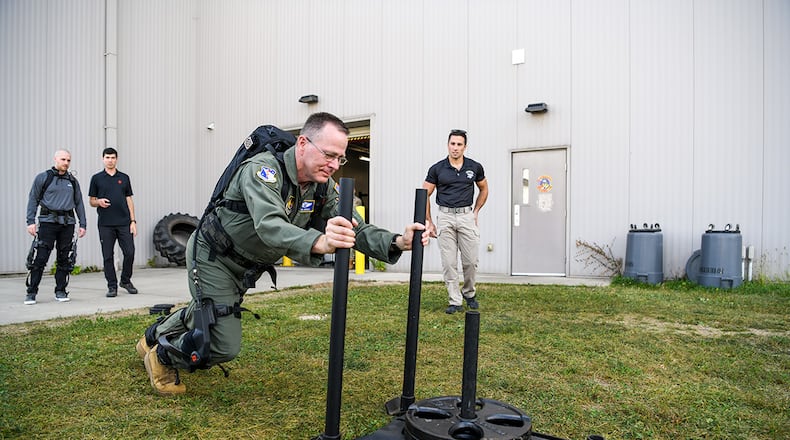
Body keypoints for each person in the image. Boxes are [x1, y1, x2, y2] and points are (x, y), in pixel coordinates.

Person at [135, 112, 428, 395]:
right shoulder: (263, 171)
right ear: (302, 144)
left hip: (247, 263)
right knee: (222, 345)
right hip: (214, 257)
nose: (334, 164)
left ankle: (150, 338)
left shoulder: (323, 187)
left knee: (211, 310)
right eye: (328, 154)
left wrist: (398, 241)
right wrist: (319, 243)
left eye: (340, 158)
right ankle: (161, 356)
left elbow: (356, 229)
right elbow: (270, 225)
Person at [422, 129, 488, 314]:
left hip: (466, 216)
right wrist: (429, 221)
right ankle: (455, 300)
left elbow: (484, 189)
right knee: (449, 262)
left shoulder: (474, 167)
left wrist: (475, 211)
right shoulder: (437, 169)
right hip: (445, 217)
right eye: (453, 144)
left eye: (459, 144)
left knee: (471, 261)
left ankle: (469, 293)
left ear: (465, 147)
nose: (455, 148)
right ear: (448, 145)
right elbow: (425, 194)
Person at [25, 149, 87, 305]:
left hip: (67, 224)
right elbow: (33, 199)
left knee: (64, 260)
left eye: (68, 160)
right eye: (63, 159)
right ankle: (31, 292)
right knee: (40, 259)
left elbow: (79, 203)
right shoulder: (44, 178)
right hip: (47, 223)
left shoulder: (72, 181)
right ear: (55, 159)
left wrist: (83, 224)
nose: (66, 163)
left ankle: (60, 290)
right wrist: (30, 221)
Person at [88, 147, 138, 297]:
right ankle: (112, 286)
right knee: (108, 256)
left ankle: (125, 280)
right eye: (107, 157)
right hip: (105, 224)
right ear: (103, 159)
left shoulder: (124, 177)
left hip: (124, 223)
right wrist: (99, 202)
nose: (110, 160)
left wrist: (133, 221)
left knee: (129, 252)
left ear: (116, 159)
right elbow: (91, 201)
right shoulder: (96, 178)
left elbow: (129, 199)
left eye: (113, 157)